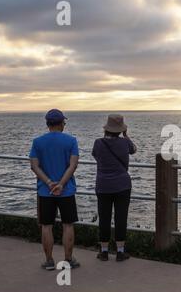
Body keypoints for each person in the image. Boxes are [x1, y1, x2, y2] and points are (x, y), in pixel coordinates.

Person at [29, 109, 80, 270]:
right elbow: (73, 165)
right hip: (66, 191)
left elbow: (34, 166)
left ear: (47, 124)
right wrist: (61, 184)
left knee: (46, 226)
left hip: (45, 191)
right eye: (64, 122)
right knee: (68, 225)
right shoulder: (71, 141)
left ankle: (49, 261)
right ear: (61, 123)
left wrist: (50, 183)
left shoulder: (37, 142)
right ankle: (68, 259)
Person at [92, 114, 137, 262]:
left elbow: (95, 156)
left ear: (106, 129)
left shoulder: (98, 143)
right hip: (122, 185)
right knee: (121, 218)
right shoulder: (125, 143)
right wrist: (126, 136)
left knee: (104, 218)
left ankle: (104, 251)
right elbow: (134, 149)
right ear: (120, 130)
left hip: (103, 185)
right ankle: (120, 251)